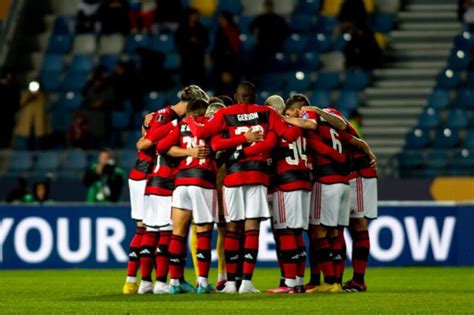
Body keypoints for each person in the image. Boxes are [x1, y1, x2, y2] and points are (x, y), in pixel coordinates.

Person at [184, 81, 301, 293]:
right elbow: (290, 136)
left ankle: (230, 282)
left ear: (237, 97)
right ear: (255, 97)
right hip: (257, 177)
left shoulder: (225, 114)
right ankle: (246, 282)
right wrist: (289, 120)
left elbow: (209, 140)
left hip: (233, 179)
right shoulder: (267, 113)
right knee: (252, 229)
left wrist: (191, 120)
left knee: (232, 229)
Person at [132, 85, 209, 295]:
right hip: (163, 179)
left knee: (151, 231)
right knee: (167, 233)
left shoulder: (163, 116)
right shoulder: (168, 118)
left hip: (153, 181)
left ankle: (145, 283)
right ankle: (161, 283)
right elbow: (145, 143)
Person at [156, 98, 218, 294]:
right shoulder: (211, 123)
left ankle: (174, 282)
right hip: (202, 181)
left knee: (178, 233)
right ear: (203, 111)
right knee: (203, 232)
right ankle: (203, 282)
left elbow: (162, 147)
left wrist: (186, 151)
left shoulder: (181, 125)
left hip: (181, 183)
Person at [81, 66, 116, 147]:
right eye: (95, 81)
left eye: (99, 81)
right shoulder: (89, 89)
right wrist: (92, 104)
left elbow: (112, 101)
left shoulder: (108, 89)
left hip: (104, 117)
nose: (97, 83)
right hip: (91, 118)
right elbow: (85, 101)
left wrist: (102, 103)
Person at [250, 0, 288, 72]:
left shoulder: (277, 18)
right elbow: (251, 28)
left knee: (274, 65)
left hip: (275, 46)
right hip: (262, 46)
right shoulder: (260, 18)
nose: (267, 8)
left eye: (269, 6)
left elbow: (285, 30)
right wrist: (256, 33)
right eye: (266, 7)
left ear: (272, 7)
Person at [175, 8, 209, 86]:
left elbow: (206, 43)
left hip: (198, 59)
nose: (195, 17)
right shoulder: (182, 29)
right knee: (186, 82)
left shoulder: (202, 29)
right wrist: (188, 41)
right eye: (193, 15)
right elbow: (178, 42)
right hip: (186, 59)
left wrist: (197, 42)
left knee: (200, 82)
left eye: (196, 15)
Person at [13, 81, 50, 149]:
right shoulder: (25, 94)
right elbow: (21, 103)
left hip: (38, 129)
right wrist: (29, 95)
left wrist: (37, 94)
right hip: (26, 128)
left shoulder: (42, 95)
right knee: (23, 148)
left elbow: (45, 105)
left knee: (39, 147)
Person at [211, 11, 241, 97]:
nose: (220, 21)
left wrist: (227, 71)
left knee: (230, 94)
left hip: (229, 68)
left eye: (222, 19)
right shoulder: (220, 31)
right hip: (220, 68)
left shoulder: (232, 32)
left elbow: (232, 53)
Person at [0, 68, 20, 148]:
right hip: (2, 113)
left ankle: (6, 145)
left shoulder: (14, 87)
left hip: (9, 114)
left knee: (8, 131)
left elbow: (16, 101)